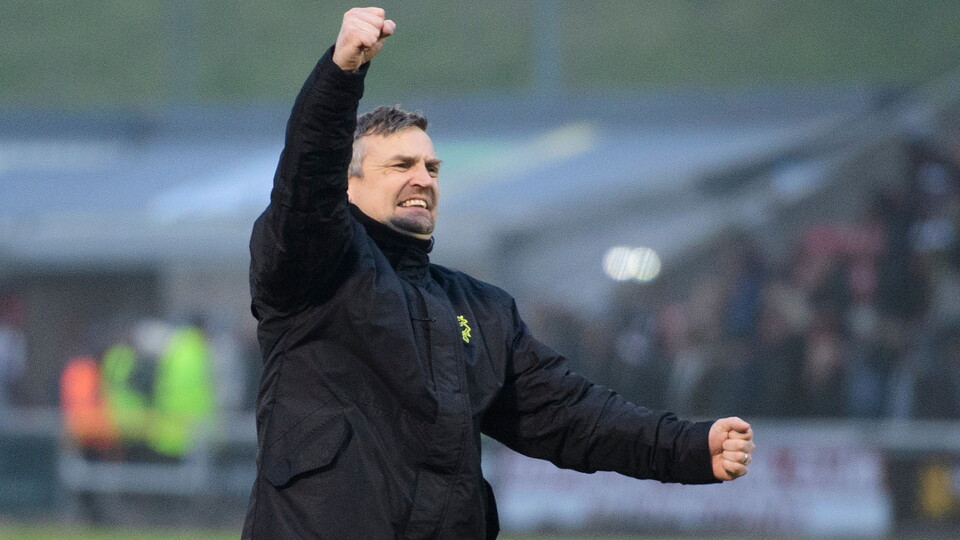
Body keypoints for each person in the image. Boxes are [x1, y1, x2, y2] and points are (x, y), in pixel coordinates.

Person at [244, 8, 755, 539]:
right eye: (401, 166)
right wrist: (340, 74)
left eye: (432, 168)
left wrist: (688, 448)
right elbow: (305, 185)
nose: (423, 179)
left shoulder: (480, 310)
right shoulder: (314, 266)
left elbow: (570, 415)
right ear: (347, 185)